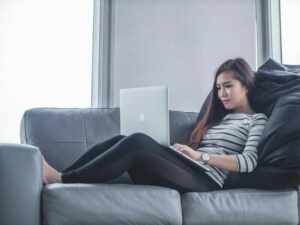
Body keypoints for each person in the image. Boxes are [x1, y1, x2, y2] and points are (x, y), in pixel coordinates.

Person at [43, 57, 268, 193]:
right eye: (218, 88)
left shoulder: (256, 120)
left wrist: (202, 157)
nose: (221, 93)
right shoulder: (219, 118)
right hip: (190, 169)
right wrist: (180, 153)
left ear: (246, 85)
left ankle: (61, 179)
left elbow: (248, 162)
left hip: (207, 180)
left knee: (138, 142)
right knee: (123, 139)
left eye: (227, 86)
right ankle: (64, 175)